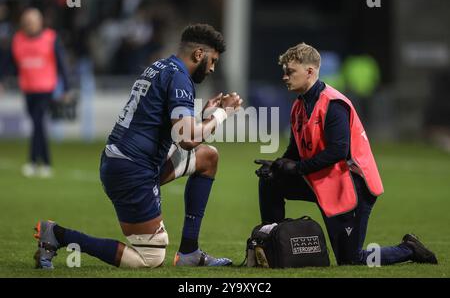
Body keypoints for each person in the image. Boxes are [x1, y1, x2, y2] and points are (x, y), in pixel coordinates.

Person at [33, 23, 243, 269]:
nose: (212, 68)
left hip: (129, 160)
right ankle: (57, 235)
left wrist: (207, 115)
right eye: (213, 60)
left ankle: (189, 253)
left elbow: (174, 129)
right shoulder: (179, 77)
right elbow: (186, 138)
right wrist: (221, 115)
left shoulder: (160, 67)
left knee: (208, 158)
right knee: (151, 259)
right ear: (199, 54)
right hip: (131, 170)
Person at [255, 43, 438, 266]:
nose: (285, 77)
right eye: (284, 71)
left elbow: (337, 152)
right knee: (270, 181)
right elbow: (295, 151)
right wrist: (278, 165)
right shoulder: (299, 106)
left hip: (353, 186)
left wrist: (298, 168)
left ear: (310, 72)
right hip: (325, 179)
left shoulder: (333, 104)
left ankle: (408, 249)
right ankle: (272, 245)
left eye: (290, 71)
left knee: (351, 260)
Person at [0, 8, 71, 178]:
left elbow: (62, 64)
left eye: (31, 21)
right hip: (28, 89)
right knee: (37, 125)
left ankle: (34, 162)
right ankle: (45, 162)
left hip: (46, 89)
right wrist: (2, 81)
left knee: (38, 123)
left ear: (40, 22)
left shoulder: (51, 38)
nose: (28, 25)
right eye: (26, 22)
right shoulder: (18, 40)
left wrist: (67, 88)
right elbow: (9, 63)